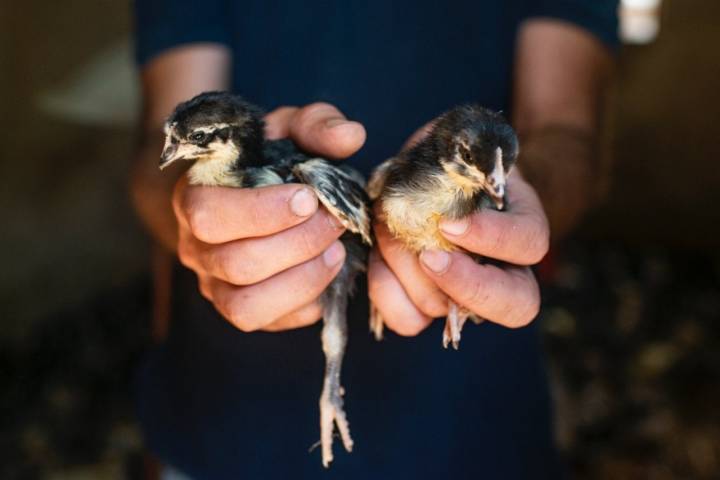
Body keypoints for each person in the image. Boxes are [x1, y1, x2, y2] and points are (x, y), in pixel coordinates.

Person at [130, 1, 617, 478]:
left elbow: (566, 131)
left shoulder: (471, 181)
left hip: (473, 424)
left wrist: (513, 195)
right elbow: (161, 141)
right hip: (223, 423)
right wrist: (196, 224)